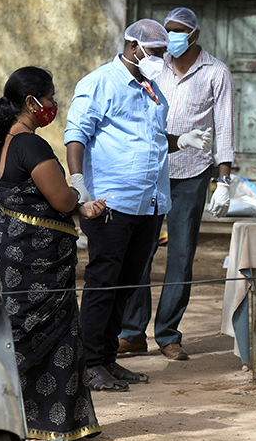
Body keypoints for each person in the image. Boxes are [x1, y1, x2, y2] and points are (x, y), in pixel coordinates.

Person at [64, 19, 211, 391]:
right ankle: (90, 361)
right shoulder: (99, 83)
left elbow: (148, 137)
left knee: (128, 284)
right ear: (133, 48)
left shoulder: (151, 88)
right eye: (157, 52)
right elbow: (76, 135)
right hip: (111, 202)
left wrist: (180, 141)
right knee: (102, 283)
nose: (163, 59)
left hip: (149, 204)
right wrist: (79, 184)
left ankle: (108, 357)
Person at [0, 66, 107, 441]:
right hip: (38, 262)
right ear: (31, 102)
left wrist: (77, 206)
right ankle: (51, 422)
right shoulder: (32, 144)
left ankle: (24, 418)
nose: (54, 104)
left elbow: (29, 198)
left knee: (20, 329)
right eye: (49, 98)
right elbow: (60, 198)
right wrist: (79, 197)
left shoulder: (4, 140)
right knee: (47, 333)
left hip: (14, 255)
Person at [118, 7, 236, 361]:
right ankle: (132, 332)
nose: (172, 37)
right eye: (168, 31)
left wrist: (224, 179)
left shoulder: (216, 72)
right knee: (140, 250)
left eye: (180, 31)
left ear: (195, 34)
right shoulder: (155, 66)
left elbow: (224, 124)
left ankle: (168, 333)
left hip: (193, 171)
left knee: (181, 255)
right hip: (152, 169)